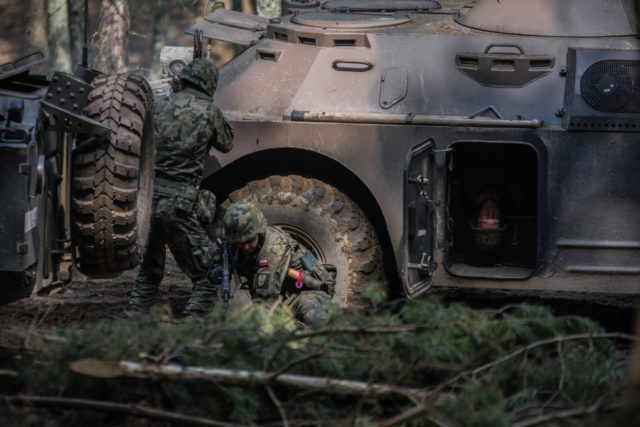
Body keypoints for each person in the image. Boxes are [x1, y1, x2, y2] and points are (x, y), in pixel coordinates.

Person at [127, 58, 234, 316]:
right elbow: (227, 143)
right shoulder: (209, 112)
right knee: (209, 271)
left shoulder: (160, 105)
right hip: (180, 203)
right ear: (210, 85)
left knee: (150, 270)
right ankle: (194, 324)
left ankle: (132, 318)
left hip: (148, 201)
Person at [218, 202, 335, 326]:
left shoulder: (274, 247)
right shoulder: (235, 242)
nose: (246, 247)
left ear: (259, 231)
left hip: (304, 294)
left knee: (312, 318)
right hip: (279, 300)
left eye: (249, 240)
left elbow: (264, 301)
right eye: (241, 242)